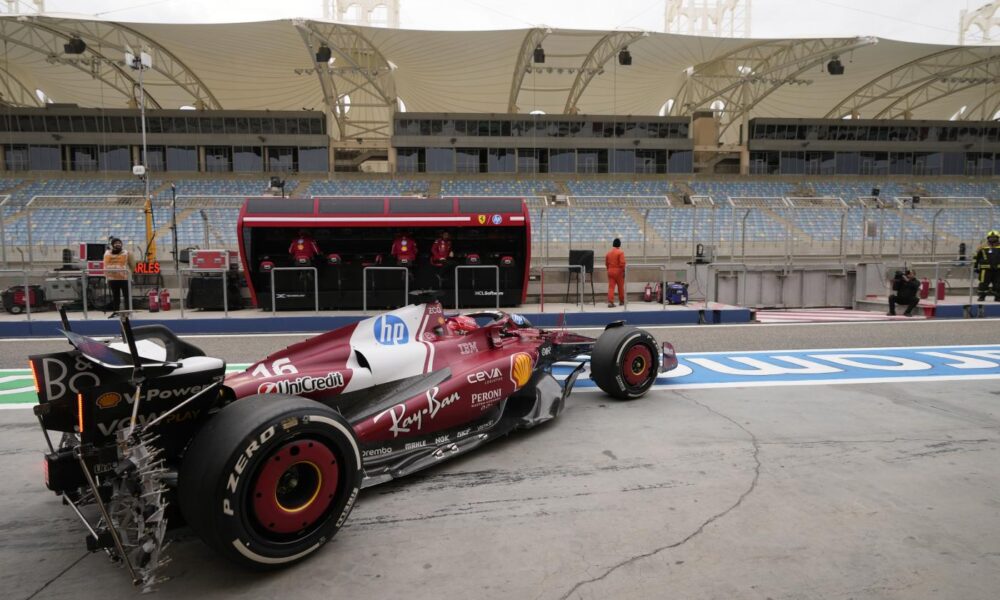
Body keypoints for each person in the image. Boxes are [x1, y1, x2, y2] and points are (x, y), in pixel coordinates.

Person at [103, 237, 132, 312]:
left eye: (119, 243)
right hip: (112, 279)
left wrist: (131, 275)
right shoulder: (107, 253)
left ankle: (128, 311)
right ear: (112, 245)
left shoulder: (126, 253)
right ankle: (116, 311)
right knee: (115, 297)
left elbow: (132, 264)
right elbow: (105, 265)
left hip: (124, 278)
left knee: (127, 296)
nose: (118, 244)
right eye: (116, 243)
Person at [974, 230, 1000, 301]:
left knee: (998, 283)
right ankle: (982, 296)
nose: (992, 239)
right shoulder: (982, 247)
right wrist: (975, 267)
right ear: (988, 238)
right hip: (985, 270)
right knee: (983, 283)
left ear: (998, 238)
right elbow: (976, 257)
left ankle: (998, 296)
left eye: (994, 237)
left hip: (998, 269)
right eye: (990, 237)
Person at [605, 237, 626, 308]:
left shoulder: (608, 253)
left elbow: (606, 263)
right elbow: (622, 263)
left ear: (613, 244)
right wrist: (623, 271)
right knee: (620, 287)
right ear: (619, 244)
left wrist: (609, 269)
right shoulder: (620, 252)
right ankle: (622, 301)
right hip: (619, 272)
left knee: (611, 287)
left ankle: (610, 302)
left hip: (610, 271)